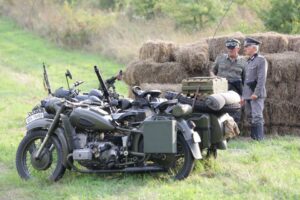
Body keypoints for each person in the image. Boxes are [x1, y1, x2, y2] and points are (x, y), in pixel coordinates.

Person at [210, 38, 247, 123]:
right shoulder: (220, 58)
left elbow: (246, 81)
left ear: (238, 48)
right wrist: (213, 76)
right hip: (221, 89)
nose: (230, 50)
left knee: (235, 111)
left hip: (235, 90)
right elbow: (212, 70)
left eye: (233, 48)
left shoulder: (244, 62)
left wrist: (244, 96)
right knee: (219, 108)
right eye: (229, 48)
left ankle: (233, 131)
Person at [241, 37, 268, 141]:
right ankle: (253, 138)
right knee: (250, 116)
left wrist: (256, 93)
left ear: (254, 48)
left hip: (256, 94)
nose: (245, 49)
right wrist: (243, 96)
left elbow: (262, 78)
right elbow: (246, 81)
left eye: (247, 46)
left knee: (257, 116)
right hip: (248, 94)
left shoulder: (261, 60)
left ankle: (259, 139)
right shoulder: (248, 62)